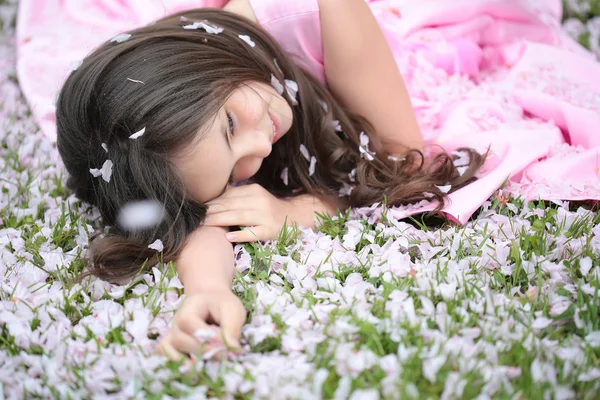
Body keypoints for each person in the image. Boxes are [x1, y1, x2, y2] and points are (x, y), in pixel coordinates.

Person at [55, 0, 485, 360]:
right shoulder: (190, 141)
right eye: (230, 174)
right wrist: (207, 290)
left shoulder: (312, 12)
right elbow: (208, 221)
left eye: (228, 126)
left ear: (200, 62)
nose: (259, 149)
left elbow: (400, 162)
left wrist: (300, 209)